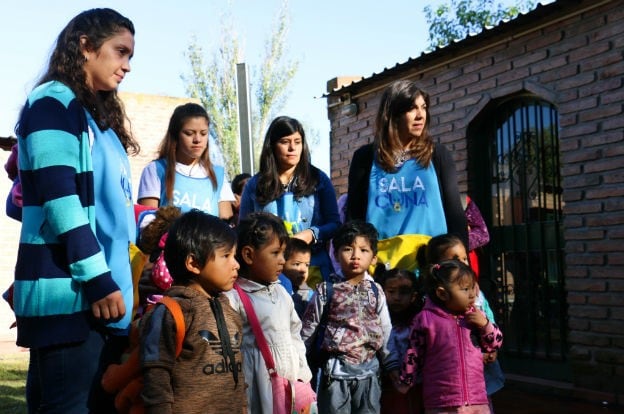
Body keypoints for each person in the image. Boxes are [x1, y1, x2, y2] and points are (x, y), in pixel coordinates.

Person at [12, 8, 138, 412]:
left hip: (106, 306)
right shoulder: (52, 103)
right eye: (120, 52)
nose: (127, 66)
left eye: (130, 56)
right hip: (73, 300)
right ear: (85, 45)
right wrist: (98, 280)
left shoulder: (97, 116)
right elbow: (60, 199)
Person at [346, 79, 467, 272]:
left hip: (433, 264)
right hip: (382, 269)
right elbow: (354, 217)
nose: (420, 115)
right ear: (392, 114)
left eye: (424, 107)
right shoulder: (365, 157)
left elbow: (455, 213)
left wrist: (461, 268)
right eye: (412, 108)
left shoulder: (438, 154)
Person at [139, 209, 246, 413]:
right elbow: (155, 377)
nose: (236, 265)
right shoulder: (170, 313)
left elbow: (239, 379)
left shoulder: (228, 309)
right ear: (193, 263)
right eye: (226, 256)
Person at [301, 220, 394, 414]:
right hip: (335, 374)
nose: (355, 256)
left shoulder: (376, 291)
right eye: (347, 249)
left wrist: (392, 365)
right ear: (335, 254)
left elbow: (386, 330)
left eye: (363, 250)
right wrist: (300, 363)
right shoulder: (327, 290)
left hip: (369, 372)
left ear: (374, 258)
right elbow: (309, 328)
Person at [225, 212, 312, 413]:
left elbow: (294, 334)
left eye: (284, 253)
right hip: (256, 385)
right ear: (248, 255)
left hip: (289, 383)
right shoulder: (234, 298)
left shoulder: (282, 292)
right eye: (275, 253)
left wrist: (302, 375)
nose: (282, 260)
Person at [238, 116, 341, 288]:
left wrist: (311, 234)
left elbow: (335, 224)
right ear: (272, 146)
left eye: (297, 141)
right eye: (285, 142)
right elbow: (243, 231)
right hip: (269, 273)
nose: (292, 148)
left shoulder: (319, 180)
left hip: (312, 269)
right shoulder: (255, 185)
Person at [398, 260, 503, 413]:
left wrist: (485, 324)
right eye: (465, 289)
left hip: (477, 400)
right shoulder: (426, 319)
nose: (472, 294)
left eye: (473, 287)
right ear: (442, 293)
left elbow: (495, 344)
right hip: (442, 402)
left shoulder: (476, 316)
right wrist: (406, 380)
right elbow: (413, 352)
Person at [424, 233, 505, 411]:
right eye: (454, 259)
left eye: (464, 258)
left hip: (478, 367)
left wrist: (490, 344)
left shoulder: (476, 291)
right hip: (449, 378)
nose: (462, 262)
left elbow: (489, 318)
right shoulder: (430, 304)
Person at [137, 103, 235, 219]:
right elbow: (148, 224)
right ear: (175, 135)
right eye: (189, 133)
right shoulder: (155, 170)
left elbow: (225, 224)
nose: (197, 140)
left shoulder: (218, 175)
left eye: (203, 133)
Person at [376, 268, 423, 414]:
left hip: (418, 386)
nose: (397, 297)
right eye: (391, 291)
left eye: (403, 292)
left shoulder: (420, 321)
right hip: (387, 386)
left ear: (413, 296)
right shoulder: (376, 321)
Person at [282, 237, 314, 318]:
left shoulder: (308, 292)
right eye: (297, 264)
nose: (303, 270)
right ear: (282, 262)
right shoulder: (279, 289)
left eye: (307, 265)